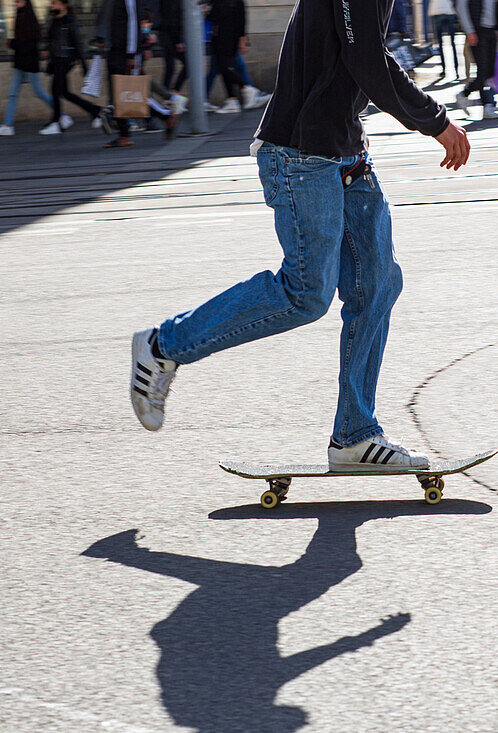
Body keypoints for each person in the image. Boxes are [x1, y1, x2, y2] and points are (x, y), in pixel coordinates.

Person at [129, 0, 472, 471]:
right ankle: (163, 346)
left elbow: (367, 53)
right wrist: (433, 120)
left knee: (376, 285)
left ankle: (355, 435)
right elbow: (368, 62)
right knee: (305, 293)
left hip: (345, 152)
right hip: (300, 154)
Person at [94, 0, 177, 148]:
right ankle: (125, 135)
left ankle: (165, 116)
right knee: (120, 93)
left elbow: (133, 23)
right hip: (117, 49)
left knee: (130, 92)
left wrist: (132, 54)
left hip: (125, 52)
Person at [0, 0, 54, 136]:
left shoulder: (28, 20)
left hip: (29, 63)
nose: (15, 4)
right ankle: (8, 124)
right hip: (22, 62)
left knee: (39, 92)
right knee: (13, 93)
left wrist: (12, 43)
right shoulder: (21, 17)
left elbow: (28, 46)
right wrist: (14, 43)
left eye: (17, 1)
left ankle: (62, 115)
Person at [40, 0, 103, 135]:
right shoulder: (53, 21)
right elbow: (50, 39)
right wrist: (45, 49)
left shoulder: (70, 22)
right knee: (65, 93)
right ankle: (95, 111)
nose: (52, 6)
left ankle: (57, 122)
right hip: (56, 60)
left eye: (55, 3)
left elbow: (79, 45)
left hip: (65, 60)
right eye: (51, 4)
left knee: (55, 91)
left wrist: (85, 67)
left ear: (63, 5)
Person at [455, 0, 498, 120]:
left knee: (490, 71)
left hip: (491, 30)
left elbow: (495, 7)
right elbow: (461, 7)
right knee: (483, 70)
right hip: (477, 31)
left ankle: (464, 94)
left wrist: (497, 29)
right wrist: (469, 30)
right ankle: (487, 106)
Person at [428, 0, 460, 79]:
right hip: (449, 10)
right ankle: (456, 70)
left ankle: (443, 70)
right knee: (453, 43)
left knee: (440, 44)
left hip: (436, 10)